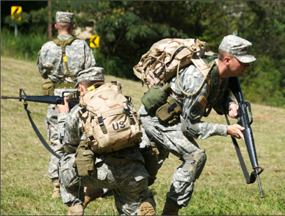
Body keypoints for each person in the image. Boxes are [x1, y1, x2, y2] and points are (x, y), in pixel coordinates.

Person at [138, 35, 256, 215]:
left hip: (171, 118)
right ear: (227, 59)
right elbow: (190, 127)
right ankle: (170, 212)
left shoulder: (220, 72)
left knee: (143, 171)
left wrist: (229, 105)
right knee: (194, 156)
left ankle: (93, 192)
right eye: (243, 61)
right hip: (156, 119)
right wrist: (226, 130)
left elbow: (216, 94)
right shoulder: (197, 78)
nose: (247, 66)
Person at [56, 67, 156, 215]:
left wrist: (63, 116)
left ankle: (74, 205)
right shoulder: (125, 103)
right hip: (134, 171)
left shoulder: (79, 110)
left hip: (97, 173)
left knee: (64, 162)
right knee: (132, 208)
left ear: (81, 87)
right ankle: (142, 204)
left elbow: (68, 145)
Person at [36, 11, 97, 198]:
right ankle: (86, 183)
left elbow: (41, 70)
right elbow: (92, 70)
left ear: (56, 26)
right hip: (79, 96)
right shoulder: (83, 45)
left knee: (57, 140)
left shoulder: (47, 47)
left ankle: (57, 186)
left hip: (55, 98)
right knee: (83, 139)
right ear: (72, 26)